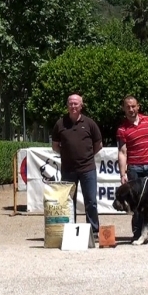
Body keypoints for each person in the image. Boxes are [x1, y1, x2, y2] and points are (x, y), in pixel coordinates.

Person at [117, 95, 148, 244]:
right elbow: (122, 152)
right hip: (135, 169)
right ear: (124, 108)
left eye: (133, 106)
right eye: (128, 107)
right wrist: (123, 174)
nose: (131, 109)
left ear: (138, 106)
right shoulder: (122, 129)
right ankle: (137, 232)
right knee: (136, 204)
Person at [51, 94, 103, 239]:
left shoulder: (90, 123)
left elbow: (98, 145)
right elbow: (55, 145)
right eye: (71, 103)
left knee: (91, 201)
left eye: (76, 104)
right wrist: (67, 155)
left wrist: (87, 155)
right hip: (68, 170)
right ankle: (70, 230)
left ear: (81, 106)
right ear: (67, 105)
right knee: (68, 202)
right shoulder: (60, 124)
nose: (73, 106)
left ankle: (93, 231)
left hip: (88, 169)